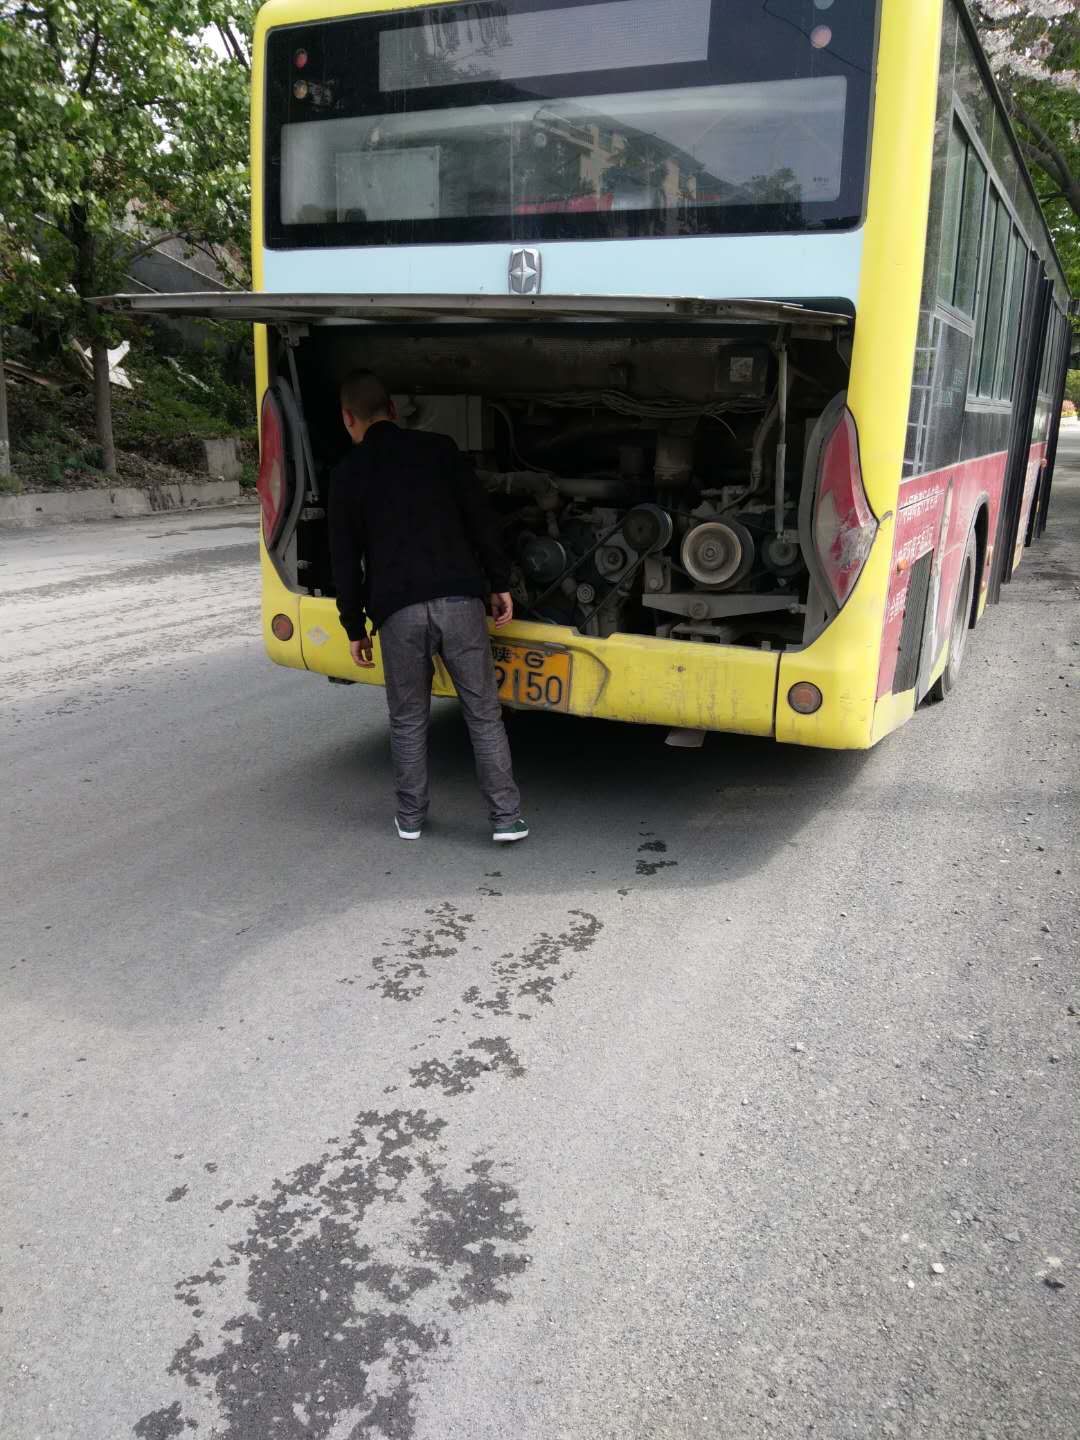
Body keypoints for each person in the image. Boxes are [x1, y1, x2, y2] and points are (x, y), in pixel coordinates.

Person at [328, 369, 528, 844]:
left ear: (348, 418)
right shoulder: (440, 449)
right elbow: (480, 519)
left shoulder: (347, 474)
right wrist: (499, 582)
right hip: (460, 600)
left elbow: (344, 559)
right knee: (483, 714)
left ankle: (411, 818)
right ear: (393, 409)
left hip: (398, 611)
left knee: (407, 718)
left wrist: (353, 626)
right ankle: (505, 818)